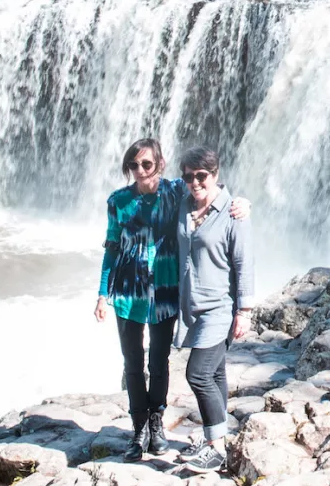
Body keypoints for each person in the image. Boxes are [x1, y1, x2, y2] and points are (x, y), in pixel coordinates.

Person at [93, 138, 249, 462]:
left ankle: (157, 422)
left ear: (160, 165)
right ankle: (139, 430)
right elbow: (111, 248)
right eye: (133, 165)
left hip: (165, 295)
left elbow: (210, 186)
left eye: (146, 164)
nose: (140, 171)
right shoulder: (118, 201)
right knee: (133, 364)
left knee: (159, 362)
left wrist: (243, 203)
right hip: (127, 295)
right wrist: (102, 293)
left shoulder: (176, 191)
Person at [171, 145, 254, 473]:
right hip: (192, 307)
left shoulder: (234, 213)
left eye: (201, 176)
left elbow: (244, 263)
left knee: (198, 373)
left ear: (215, 175)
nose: (194, 182)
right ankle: (219, 438)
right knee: (216, 373)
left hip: (220, 308)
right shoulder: (184, 203)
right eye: (188, 176)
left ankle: (214, 447)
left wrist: (244, 311)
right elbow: (156, 184)